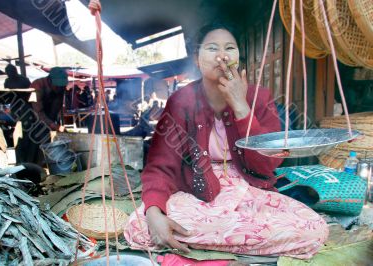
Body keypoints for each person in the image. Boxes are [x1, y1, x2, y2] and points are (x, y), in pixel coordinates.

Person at [124, 23, 328, 259]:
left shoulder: (259, 97)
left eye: (229, 48)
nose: (222, 55)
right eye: (212, 48)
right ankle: (236, 245)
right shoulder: (182, 101)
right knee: (140, 226)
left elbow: (265, 166)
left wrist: (241, 106)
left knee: (315, 229)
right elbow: (160, 166)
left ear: (238, 57)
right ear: (197, 60)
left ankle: (207, 249)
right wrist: (154, 212)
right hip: (195, 188)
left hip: (249, 188)